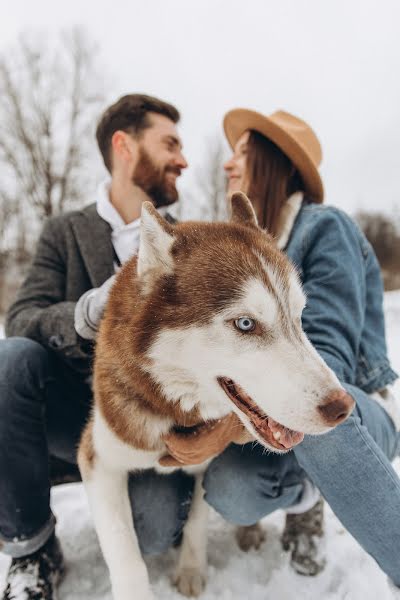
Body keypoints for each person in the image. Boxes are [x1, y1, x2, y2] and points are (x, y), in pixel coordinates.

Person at [182, 108, 400, 591]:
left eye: (241, 153)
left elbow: (330, 361)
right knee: (230, 490)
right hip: (277, 412)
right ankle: (304, 496)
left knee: (320, 411)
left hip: (353, 416)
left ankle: (329, 504)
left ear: (274, 163)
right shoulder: (245, 251)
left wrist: (221, 431)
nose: (226, 164)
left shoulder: (326, 228)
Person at [0, 93, 196, 600]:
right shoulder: (63, 232)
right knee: (11, 361)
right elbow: (21, 319)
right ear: (124, 145)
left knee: (154, 537)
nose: (183, 158)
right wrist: (89, 313)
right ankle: (31, 549)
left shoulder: (187, 245)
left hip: (157, 434)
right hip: (76, 417)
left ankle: (149, 506)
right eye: (170, 142)